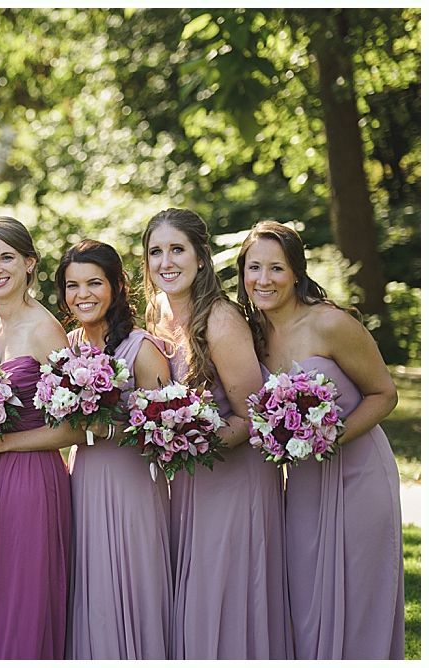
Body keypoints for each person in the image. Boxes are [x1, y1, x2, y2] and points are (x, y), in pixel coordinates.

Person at [237, 220, 404, 659]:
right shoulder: (253, 335)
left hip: (357, 473)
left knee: (359, 591)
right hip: (305, 482)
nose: (264, 280)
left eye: (276, 268)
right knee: (308, 595)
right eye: (254, 268)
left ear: (296, 271)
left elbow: (385, 394)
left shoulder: (331, 324)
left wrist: (329, 438)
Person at [141, 208, 291, 659]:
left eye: (177, 250)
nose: (166, 262)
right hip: (190, 478)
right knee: (197, 597)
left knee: (225, 596)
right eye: (155, 252)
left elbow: (252, 417)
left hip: (235, 477)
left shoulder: (221, 319)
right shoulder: (158, 313)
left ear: (201, 257)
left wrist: (188, 440)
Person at [0, 216, 77, 660]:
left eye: (6, 257)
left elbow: (73, 427)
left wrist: (6, 445)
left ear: (30, 264)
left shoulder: (46, 329)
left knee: (26, 593)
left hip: (33, 478)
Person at [55, 240, 173, 659]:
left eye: (94, 283)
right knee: (93, 586)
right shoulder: (65, 347)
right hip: (83, 479)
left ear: (116, 286)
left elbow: (163, 429)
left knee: (132, 582)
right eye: (72, 285)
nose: (82, 294)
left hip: (132, 485)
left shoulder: (142, 348)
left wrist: (108, 424)